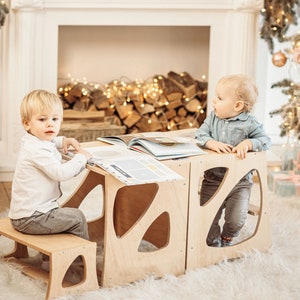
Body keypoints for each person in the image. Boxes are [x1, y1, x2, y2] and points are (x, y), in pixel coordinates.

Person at [195, 74, 271, 247]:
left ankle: (227, 237)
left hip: (239, 182)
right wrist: (210, 142)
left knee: (236, 219)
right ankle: (212, 243)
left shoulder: (250, 123)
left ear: (237, 105)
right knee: (208, 215)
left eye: (220, 98)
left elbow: (266, 141)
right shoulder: (212, 118)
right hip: (213, 180)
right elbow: (200, 134)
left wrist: (249, 143)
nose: (214, 101)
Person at [9, 90, 92, 243]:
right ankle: (77, 262)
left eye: (55, 119)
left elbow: (48, 142)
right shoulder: (37, 150)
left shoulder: (33, 141)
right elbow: (60, 173)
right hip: (31, 218)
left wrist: (63, 141)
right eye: (42, 119)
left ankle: (49, 259)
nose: (50, 124)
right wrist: (81, 158)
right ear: (27, 124)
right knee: (77, 217)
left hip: (27, 213)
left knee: (63, 213)